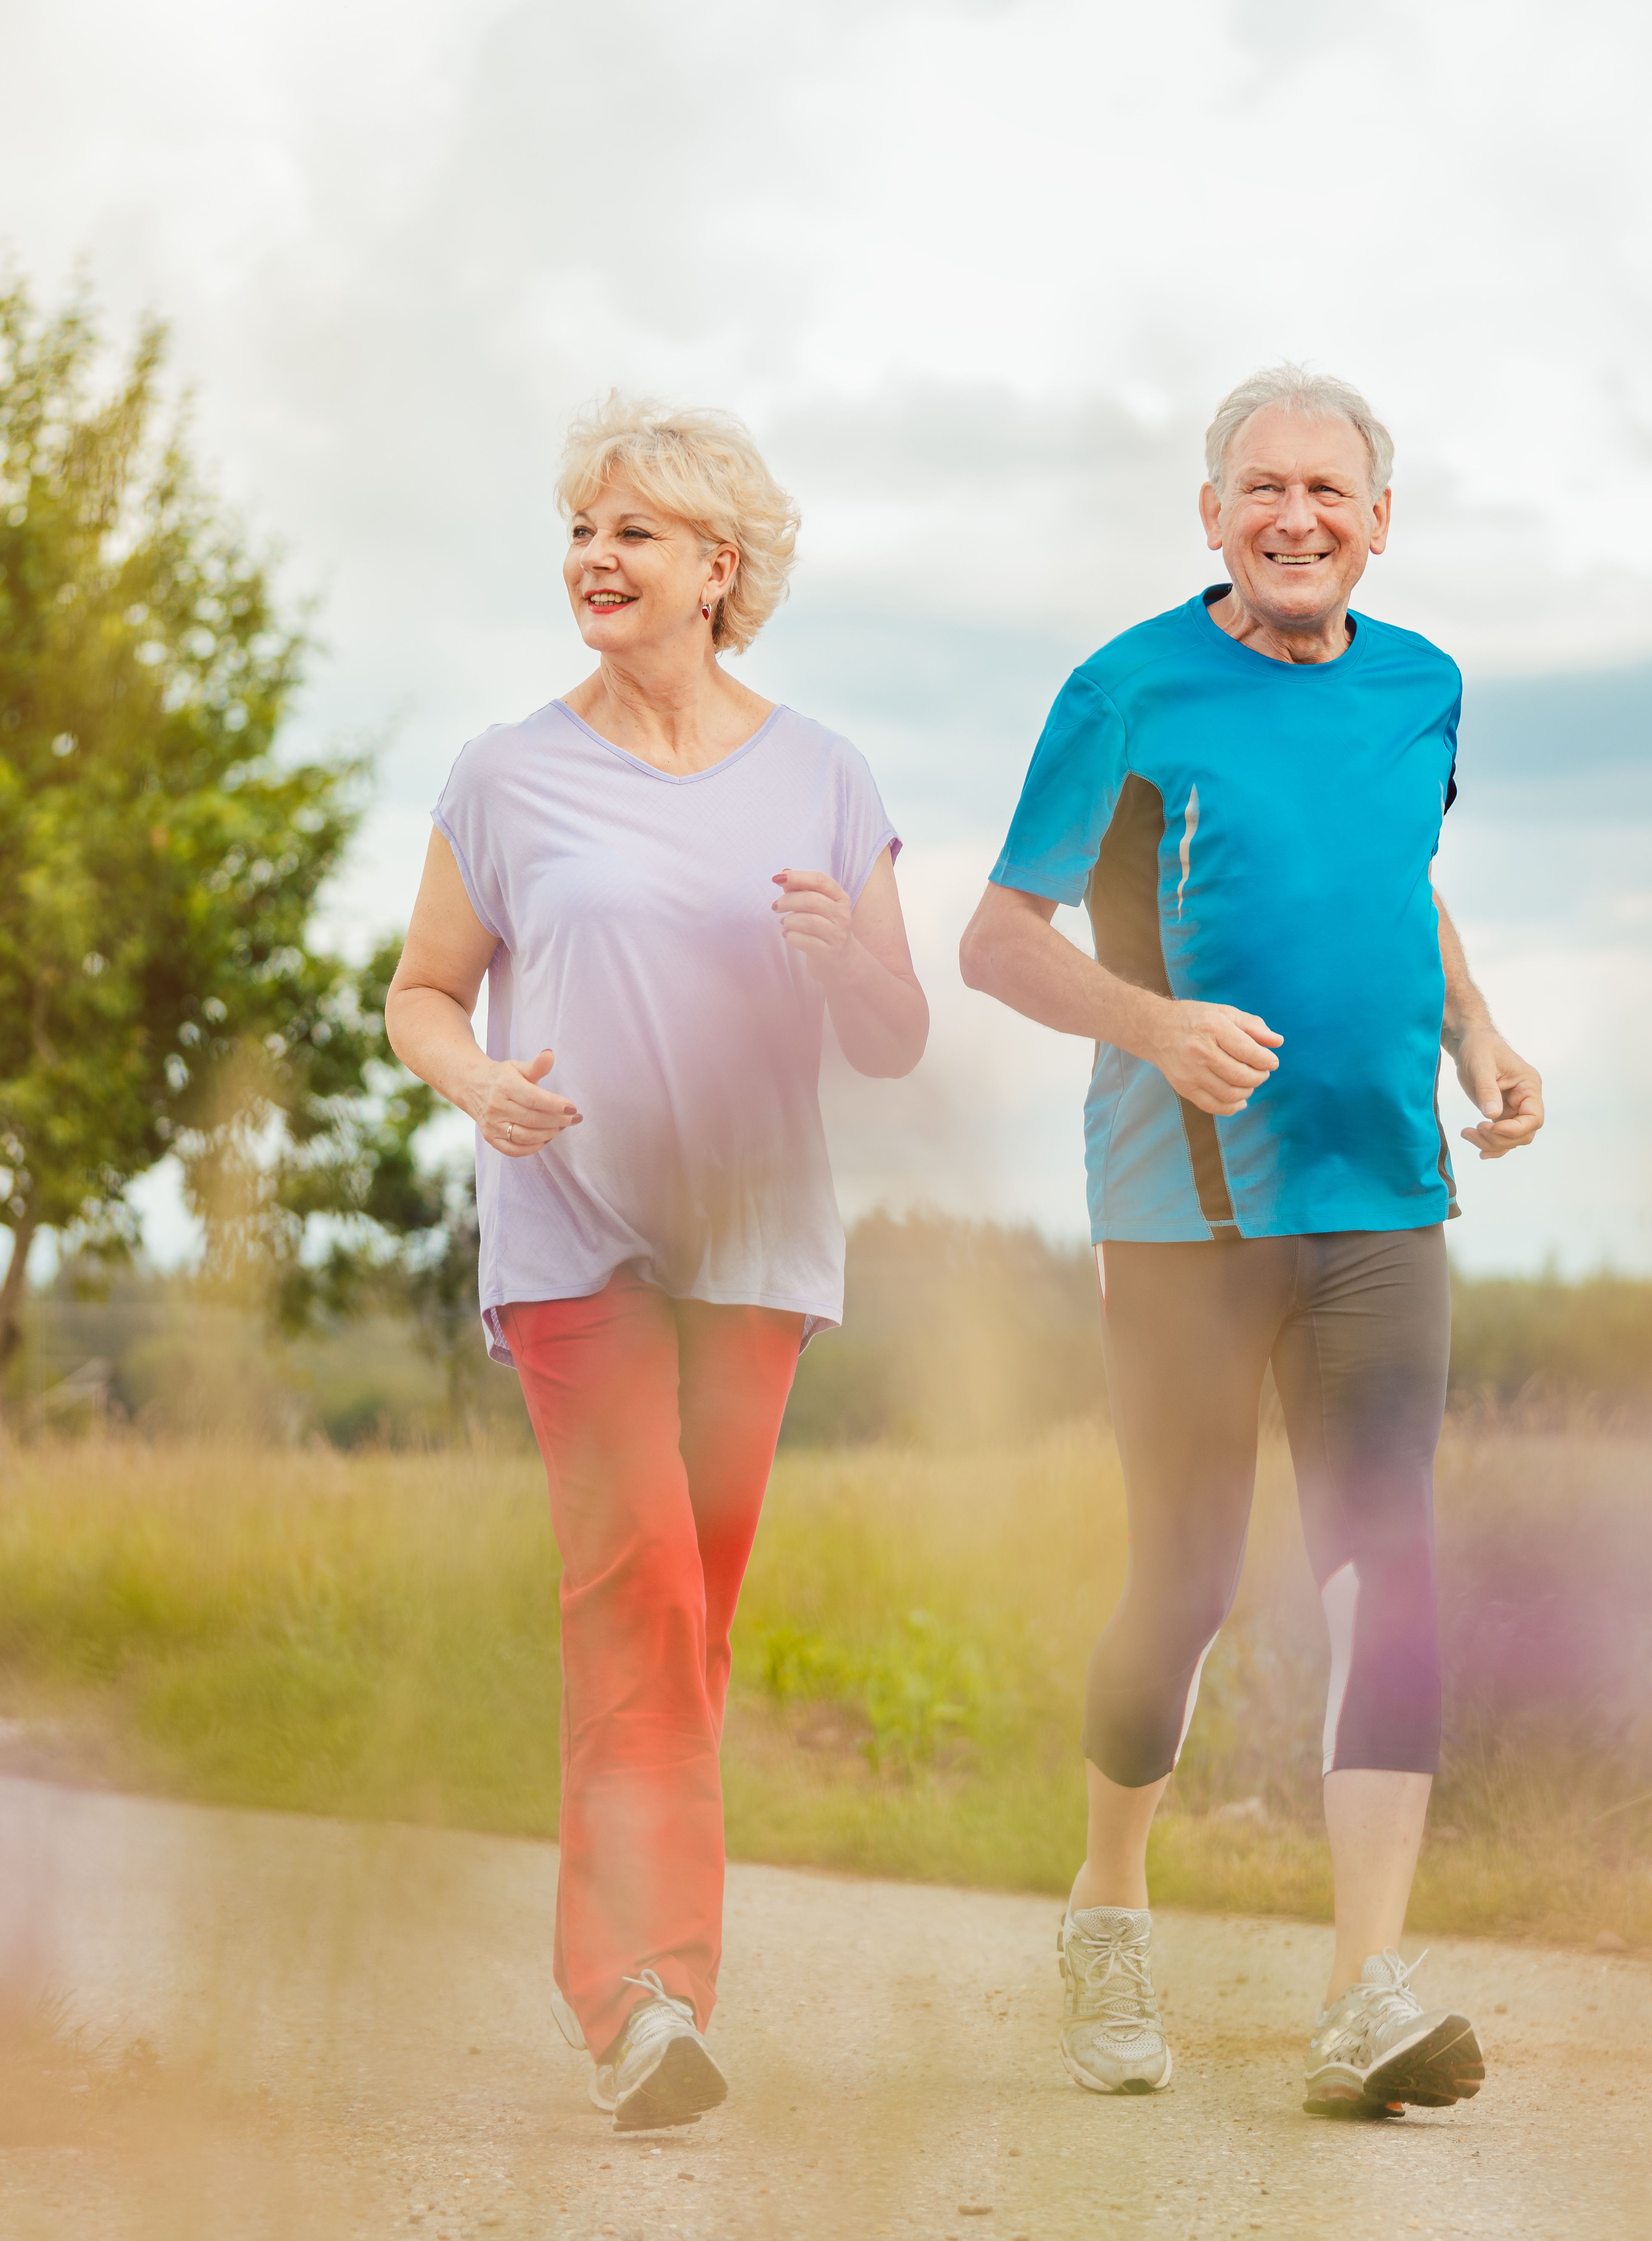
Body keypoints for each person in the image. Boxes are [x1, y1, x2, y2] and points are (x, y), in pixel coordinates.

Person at [958, 364, 1545, 2117]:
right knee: (1188, 1583)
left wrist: (1478, 1036)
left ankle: (1365, 1989)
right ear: (1210, 515)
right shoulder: (1126, 689)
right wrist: (1152, 1027)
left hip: (1384, 1200)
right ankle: (1108, 1903)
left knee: (1389, 1574)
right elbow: (997, 940)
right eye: (1262, 489)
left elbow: (1396, 885)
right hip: (1183, 1215)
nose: (1297, 518)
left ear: (1378, 520)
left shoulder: (1423, 685)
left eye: (1330, 493)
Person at [384, 397, 928, 2131]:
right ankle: (639, 2001)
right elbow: (420, 992)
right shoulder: (506, 772)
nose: (591, 562)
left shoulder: (823, 774)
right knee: (632, 1590)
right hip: (574, 1242)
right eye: (577, 534)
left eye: (629, 535)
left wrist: (847, 957)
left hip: (752, 1252)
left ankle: (636, 1977)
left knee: (686, 1624)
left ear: (720, 569)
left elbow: (897, 1039)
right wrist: (475, 1081)